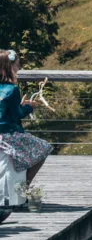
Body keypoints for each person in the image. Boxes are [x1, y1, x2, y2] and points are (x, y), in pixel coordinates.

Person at [0, 49, 53, 193]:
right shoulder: (12, 89)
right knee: (43, 148)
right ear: (9, 67)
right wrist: (29, 107)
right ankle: (24, 188)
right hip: (8, 135)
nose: (18, 69)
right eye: (17, 65)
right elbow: (16, 115)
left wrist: (20, 106)